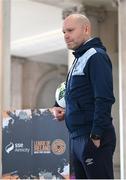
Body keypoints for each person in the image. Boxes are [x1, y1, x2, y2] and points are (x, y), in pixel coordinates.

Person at [50, 13, 116, 179]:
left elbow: (104, 98)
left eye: (70, 30)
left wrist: (96, 135)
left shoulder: (96, 56)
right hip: (77, 138)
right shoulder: (78, 59)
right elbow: (77, 95)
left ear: (86, 29)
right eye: (63, 32)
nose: (66, 36)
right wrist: (62, 109)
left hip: (92, 137)